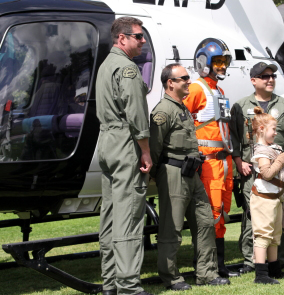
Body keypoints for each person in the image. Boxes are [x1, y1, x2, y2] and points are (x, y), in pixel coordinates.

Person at [149, 63, 230, 291]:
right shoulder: (163, 111)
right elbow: (154, 149)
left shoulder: (182, 108)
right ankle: (171, 277)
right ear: (170, 83)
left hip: (192, 172)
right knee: (171, 228)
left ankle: (207, 274)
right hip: (174, 172)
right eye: (183, 78)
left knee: (205, 223)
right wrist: (160, 174)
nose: (188, 81)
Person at [230, 62, 284, 274]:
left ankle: (283, 259)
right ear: (253, 80)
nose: (270, 79)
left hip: (281, 172)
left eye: (272, 76)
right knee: (251, 214)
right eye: (264, 76)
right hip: (252, 173)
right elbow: (233, 138)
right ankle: (250, 261)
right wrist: (238, 162)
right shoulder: (240, 106)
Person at [96, 17, 153, 295]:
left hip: (106, 141)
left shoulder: (106, 65)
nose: (143, 41)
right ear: (122, 38)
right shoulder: (127, 68)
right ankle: (129, 286)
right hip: (124, 142)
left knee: (109, 214)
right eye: (139, 36)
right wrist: (145, 150)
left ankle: (110, 284)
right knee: (129, 213)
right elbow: (136, 114)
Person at [183, 38, 239, 278]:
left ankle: (220, 265)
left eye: (224, 61)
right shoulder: (196, 88)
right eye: (217, 61)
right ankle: (207, 265)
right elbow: (181, 119)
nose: (222, 66)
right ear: (204, 62)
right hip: (209, 162)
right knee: (211, 213)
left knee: (222, 213)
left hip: (223, 161)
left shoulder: (219, 90)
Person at [250, 106, 284, 284]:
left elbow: (282, 165)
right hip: (263, 199)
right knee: (263, 236)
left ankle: (275, 270)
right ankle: (261, 275)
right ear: (262, 129)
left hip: (275, 198)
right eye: (273, 129)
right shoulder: (261, 151)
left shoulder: (274, 148)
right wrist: (280, 161)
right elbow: (268, 174)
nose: (276, 133)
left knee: (275, 236)